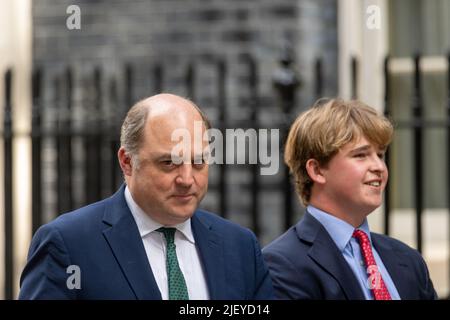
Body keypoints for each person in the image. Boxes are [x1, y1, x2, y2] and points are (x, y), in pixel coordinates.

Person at [19, 93, 274, 300]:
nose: (187, 179)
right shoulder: (68, 244)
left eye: (198, 162)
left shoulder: (239, 247)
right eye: (168, 163)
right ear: (127, 162)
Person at [263, 98, 437, 300]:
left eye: (380, 155)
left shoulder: (408, 259)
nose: (379, 167)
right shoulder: (281, 264)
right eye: (361, 155)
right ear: (317, 170)